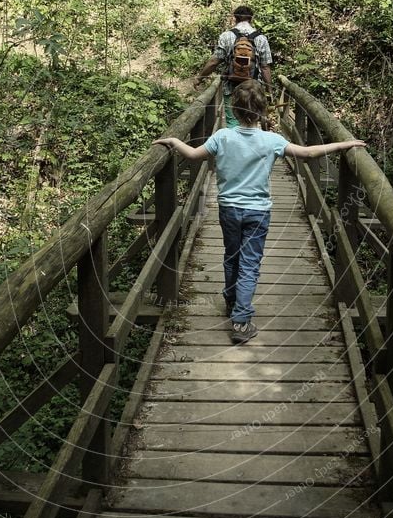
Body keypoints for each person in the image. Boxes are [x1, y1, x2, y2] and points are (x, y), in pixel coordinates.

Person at [154, 80, 366, 344]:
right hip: (257, 212)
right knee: (250, 265)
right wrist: (342, 144)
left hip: (228, 208)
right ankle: (241, 322)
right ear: (264, 110)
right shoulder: (271, 140)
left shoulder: (222, 136)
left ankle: (231, 301)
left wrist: (174, 140)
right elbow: (307, 153)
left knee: (231, 256)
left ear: (234, 108)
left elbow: (195, 155)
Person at [193, 5, 273, 129]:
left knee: (233, 124)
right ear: (251, 19)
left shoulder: (226, 36)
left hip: (231, 88)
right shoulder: (261, 39)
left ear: (234, 18)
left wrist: (200, 77)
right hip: (254, 89)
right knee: (251, 123)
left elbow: (214, 61)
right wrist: (269, 90)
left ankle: (234, 145)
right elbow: (265, 67)